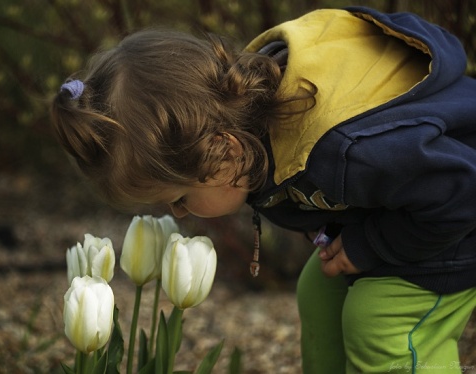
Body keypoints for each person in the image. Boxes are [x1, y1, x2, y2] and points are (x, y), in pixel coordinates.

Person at [51, 5, 476, 373]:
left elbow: (460, 194)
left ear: (224, 151)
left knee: (377, 319)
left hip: (454, 225)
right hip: (407, 211)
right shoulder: (249, 129)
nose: (178, 214)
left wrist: (369, 245)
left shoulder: (346, 151)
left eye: (178, 198)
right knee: (318, 291)